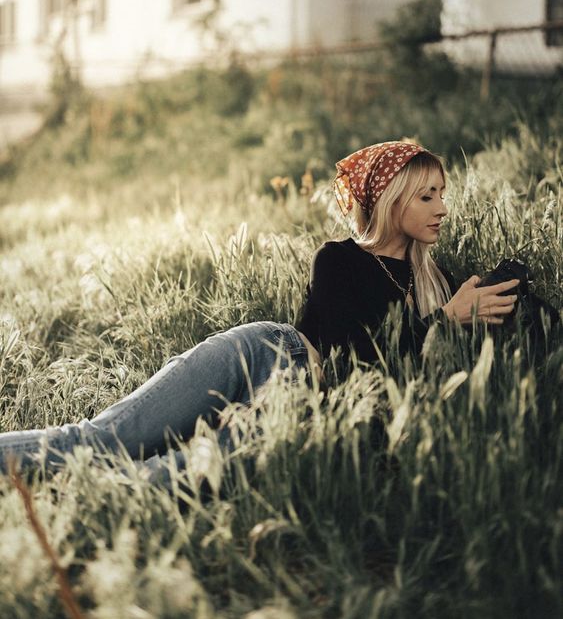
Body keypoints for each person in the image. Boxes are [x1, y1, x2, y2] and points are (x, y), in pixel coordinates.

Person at [0, 141, 520, 482]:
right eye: (427, 196)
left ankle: (54, 514)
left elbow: (377, 383)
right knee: (104, 438)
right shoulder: (338, 260)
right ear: (391, 199)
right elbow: (347, 355)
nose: (442, 208)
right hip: (268, 351)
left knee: (165, 477)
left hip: (303, 408)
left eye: (442, 195)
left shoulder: (442, 284)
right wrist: (444, 322)